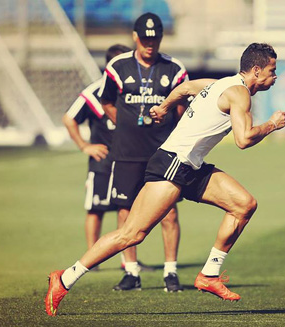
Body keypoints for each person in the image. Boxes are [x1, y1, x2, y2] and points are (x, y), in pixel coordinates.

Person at [45, 43, 285, 316]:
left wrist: (163, 107)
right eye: (272, 70)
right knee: (131, 234)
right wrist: (272, 125)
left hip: (189, 166)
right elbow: (243, 140)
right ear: (256, 71)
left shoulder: (219, 83)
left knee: (244, 204)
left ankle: (209, 275)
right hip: (173, 163)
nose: (275, 76)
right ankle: (64, 279)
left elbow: (184, 89)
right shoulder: (239, 94)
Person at [98, 12, 188, 292]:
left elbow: (183, 110)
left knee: (169, 212)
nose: (151, 43)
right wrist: (124, 124)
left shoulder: (175, 68)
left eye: (156, 38)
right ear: (135, 37)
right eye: (146, 38)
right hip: (126, 152)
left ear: (161, 38)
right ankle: (131, 272)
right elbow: (107, 102)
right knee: (125, 212)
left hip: (161, 153)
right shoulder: (118, 66)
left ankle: (170, 272)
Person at [62, 44, 131, 269]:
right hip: (102, 161)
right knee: (96, 208)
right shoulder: (94, 93)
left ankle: (127, 261)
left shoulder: (133, 90)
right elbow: (69, 118)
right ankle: (92, 259)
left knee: (128, 210)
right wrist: (84, 146)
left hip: (129, 160)